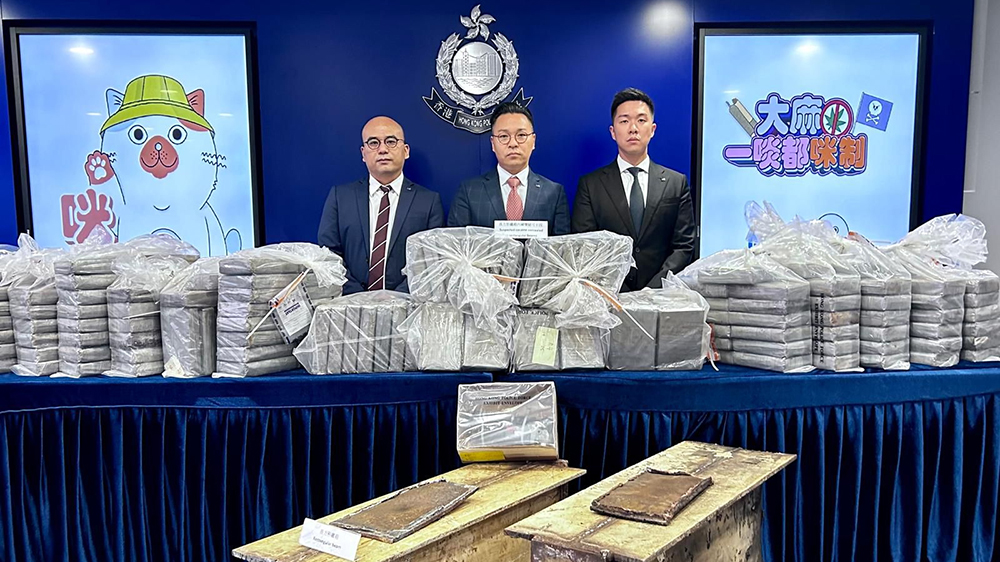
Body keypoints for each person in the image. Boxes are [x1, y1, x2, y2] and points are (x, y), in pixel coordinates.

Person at [572, 88, 695, 290]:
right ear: (613, 132)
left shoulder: (676, 183)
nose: (633, 128)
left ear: (652, 129)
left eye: (641, 120)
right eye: (624, 121)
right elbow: (584, 245)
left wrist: (653, 291)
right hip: (610, 296)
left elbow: (684, 246)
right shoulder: (591, 185)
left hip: (662, 297)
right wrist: (619, 291)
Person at [318, 116, 444, 294]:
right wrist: (358, 297)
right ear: (363, 153)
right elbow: (328, 254)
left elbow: (430, 261)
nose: (383, 149)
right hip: (349, 302)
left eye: (391, 141)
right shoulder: (340, 197)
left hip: (407, 304)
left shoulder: (429, 201)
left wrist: (395, 298)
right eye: (373, 143)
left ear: (406, 151)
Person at [448, 103, 570, 235]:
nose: (513, 143)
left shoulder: (554, 193)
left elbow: (561, 245)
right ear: (493, 144)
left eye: (521, 135)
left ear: (533, 141)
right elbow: (455, 244)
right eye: (504, 136)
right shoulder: (469, 192)